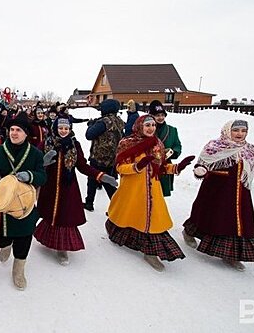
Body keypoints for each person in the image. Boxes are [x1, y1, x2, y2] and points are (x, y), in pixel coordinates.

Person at [182, 119, 254, 271]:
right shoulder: (215, 146)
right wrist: (200, 170)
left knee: (237, 224)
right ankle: (188, 232)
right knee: (205, 216)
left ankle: (231, 255)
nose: (240, 134)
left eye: (243, 131)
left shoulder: (250, 150)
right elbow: (203, 163)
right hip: (215, 192)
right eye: (236, 130)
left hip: (240, 194)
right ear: (228, 130)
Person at [105, 115, 195, 271]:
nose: (151, 128)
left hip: (153, 190)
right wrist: (137, 166)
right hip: (132, 190)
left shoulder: (158, 144)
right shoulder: (126, 143)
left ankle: (150, 254)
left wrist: (177, 168)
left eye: (153, 125)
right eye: (147, 125)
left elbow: (161, 168)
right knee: (129, 215)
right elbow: (119, 168)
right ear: (139, 126)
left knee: (153, 222)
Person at [0, 112, 46, 290]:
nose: (14, 133)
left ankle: (18, 269)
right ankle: (5, 245)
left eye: (18, 130)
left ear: (26, 133)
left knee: (24, 238)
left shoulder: (36, 154)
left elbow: (43, 177)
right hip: (2, 201)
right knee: (1, 234)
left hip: (25, 203)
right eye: (12, 129)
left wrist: (30, 176)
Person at [35, 118, 118, 265]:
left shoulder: (74, 145)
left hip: (68, 187)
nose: (63, 131)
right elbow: (34, 160)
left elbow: (82, 166)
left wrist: (100, 175)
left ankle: (62, 249)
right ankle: (47, 239)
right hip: (50, 186)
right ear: (55, 128)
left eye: (66, 128)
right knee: (49, 214)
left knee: (65, 216)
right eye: (60, 128)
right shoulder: (47, 143)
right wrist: (42, 161)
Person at [83, 99, 125, 211]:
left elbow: (89, 135)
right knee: (105, 181)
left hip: (99, 157)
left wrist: (91, 125)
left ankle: (118, 207)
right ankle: (89, 202)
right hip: (113, 157)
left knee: (97, 180)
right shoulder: (119, 121)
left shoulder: (103, 122)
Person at [149, 100, 182, 197]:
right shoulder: (146, 130)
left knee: (161, 194)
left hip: (165, 165)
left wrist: (173, 152)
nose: (160, 118)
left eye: (162, 115)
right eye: (157, 115)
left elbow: (177, 145)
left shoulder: (172, 130)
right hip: (150, 165)